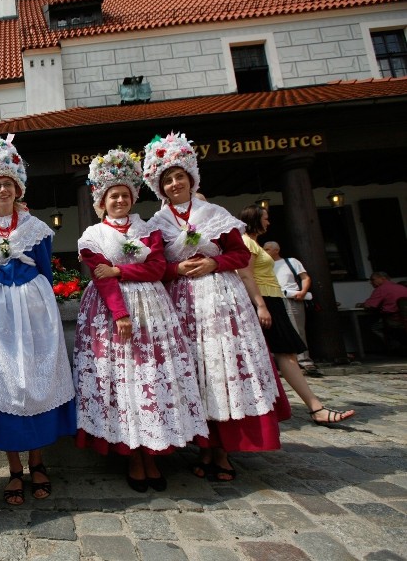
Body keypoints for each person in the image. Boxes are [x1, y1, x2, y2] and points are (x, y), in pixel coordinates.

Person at [143, 132, 285, 482]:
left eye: (179, 177)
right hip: (179, 303)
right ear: (160, 188)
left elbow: (239, 254)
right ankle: (203, 446)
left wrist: (213, 264)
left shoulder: (213, 213)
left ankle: (222, 452)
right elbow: (156, 267)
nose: (175, 183)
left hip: (220, 299)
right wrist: (177, 269)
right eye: (168, 180)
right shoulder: (156, 224)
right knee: (193, 371)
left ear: (191, 179)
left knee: (219, 370)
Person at [74, 148, 208, 492]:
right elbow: (101, 278)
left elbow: (158, 268)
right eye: (113, 195)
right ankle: (133, 456)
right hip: (110, 313)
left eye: (124, 195)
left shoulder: (147, 229)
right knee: (123, 382)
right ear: (102, 201)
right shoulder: (93, 236)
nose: (119, 200)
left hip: (153, 310)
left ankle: (152, 453)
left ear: (133, 198)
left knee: (150, 376)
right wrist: (120, 314)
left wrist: (120, 268)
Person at [0, 136, 76, 505]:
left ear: (18, 187)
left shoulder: (38, 228)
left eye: (7, 183)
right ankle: (14, 470)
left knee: (35, 383)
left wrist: (45, 315)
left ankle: (39, 464)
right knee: (4, 386)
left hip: (33, 315)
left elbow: (45, 271)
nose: (2, 189)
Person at [239, 205, 355, 425]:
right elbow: (245, 276)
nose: (268, 222)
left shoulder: (253, 242)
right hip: (265, 300)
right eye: (265, 218)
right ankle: (314, 407)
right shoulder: (246, 242)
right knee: (284, 355)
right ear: (255, 219)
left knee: (285, 355)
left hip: (272, 298)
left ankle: (312, 406)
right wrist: (261, 305)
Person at [263, 241, 317, 372]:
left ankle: (304, 360)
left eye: (267, 249)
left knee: (297, 328)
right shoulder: (263, 264)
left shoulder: (291, 262)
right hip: (273, 298)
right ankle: (282, 362)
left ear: (276, 250)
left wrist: (303, 292)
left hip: (291, 297)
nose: (265, 251)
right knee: (276, 330)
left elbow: (305, 278)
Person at [357, 272, 407, 348]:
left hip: (394, 319)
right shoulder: (402, 287)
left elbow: (369, 305)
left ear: (383, 278)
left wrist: (360, 304)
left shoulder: (381, 289)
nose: (371, 282)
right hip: (404, 318)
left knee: (375, 327)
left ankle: (395, 347)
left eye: (373, 280)